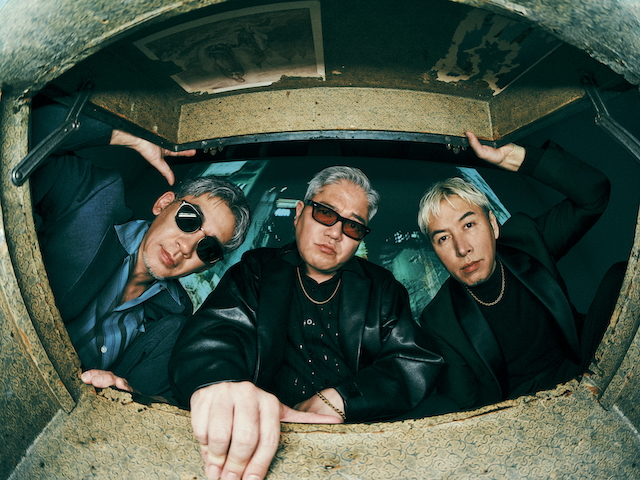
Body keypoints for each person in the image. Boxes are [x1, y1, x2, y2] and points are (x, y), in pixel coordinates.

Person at [169, 165, 444, 480]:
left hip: (354, 446)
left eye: (353, 226)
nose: (335, 233)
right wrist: (222, 384)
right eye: (325, 213)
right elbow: (216, 333)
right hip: (260, 437)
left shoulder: (382, 288)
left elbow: (413, 360)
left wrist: (343, 399)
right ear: (299, 213)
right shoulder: (256, 270)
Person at [30, 103, 251, 400]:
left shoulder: (175, 316)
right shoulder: (93, 202)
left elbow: (154, 396)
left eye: (207, 248)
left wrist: (128, 393)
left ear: (208, 264)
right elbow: (18, 135)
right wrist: (125, 135)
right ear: (163, 204)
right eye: (189, 220)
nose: (186, 247)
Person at [417, 131, 625, 412]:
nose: (462, 248)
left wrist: (517, 157)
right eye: (443, 238)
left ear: (493, 225)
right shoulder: (439, 320)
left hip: (586, 361)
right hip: (528, 410)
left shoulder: (527, 239)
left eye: (469, 225)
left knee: (622, 276)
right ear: (436, 251)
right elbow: (468, 408)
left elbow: (594, 195)